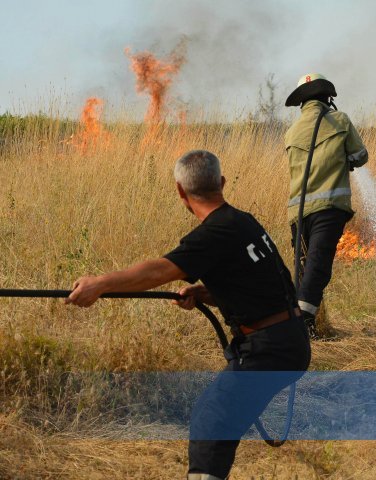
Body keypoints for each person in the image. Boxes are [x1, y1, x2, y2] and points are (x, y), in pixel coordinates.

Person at [66, 150, 310, 480]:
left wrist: (100, 284)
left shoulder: (212, 235)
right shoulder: (244, 222)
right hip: (288, 339)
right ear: (221, 182)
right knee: (217, 421)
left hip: (270, 349)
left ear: (180, 191)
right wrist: (208, 294)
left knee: (212, 422)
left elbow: (159, 271)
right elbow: (262, 285)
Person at [284, 73, 369, 338]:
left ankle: (304, 324)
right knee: (318, 267)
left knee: (303, 268)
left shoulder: (292, 131)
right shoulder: (339, 120)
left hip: (298, 212)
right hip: (328, 208)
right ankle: (303, 325)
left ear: (302, 102)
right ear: (327, 98)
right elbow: (360, 156)